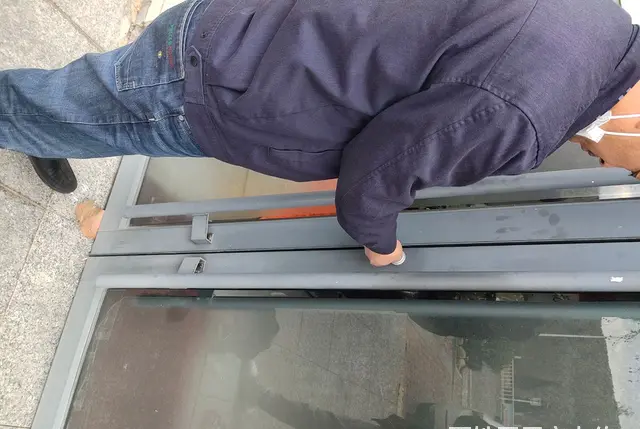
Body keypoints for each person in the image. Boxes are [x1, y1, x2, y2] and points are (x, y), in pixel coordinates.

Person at [2, 0, 639, 267]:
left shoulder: (599, 20)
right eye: (634, 169)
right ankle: (34, 124)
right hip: (222, 83)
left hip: (253, 30)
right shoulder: (524, 114)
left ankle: (44, 130)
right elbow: (375, 176)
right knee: (66, 108)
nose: (613, 171)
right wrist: (382, 247)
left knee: (81, 104)